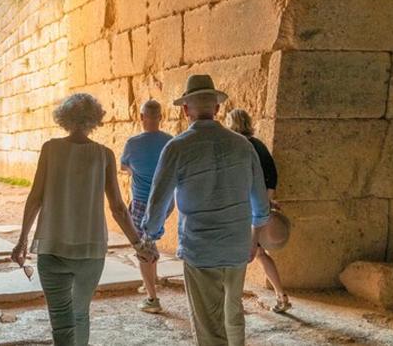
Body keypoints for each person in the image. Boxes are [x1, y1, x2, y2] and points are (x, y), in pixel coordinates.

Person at [11, 93, 156, 346]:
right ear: (95, 119)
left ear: (64, 118)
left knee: (61, 319)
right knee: (80, 313)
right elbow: (118, 208)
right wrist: (138, 245)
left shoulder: (50, 149)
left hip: (52, 247)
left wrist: (22, 240)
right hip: (91, 251)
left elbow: (35, 198)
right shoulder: (104, 155)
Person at [141, 74, 270, 346]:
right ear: (217, 108)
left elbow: (158, 199)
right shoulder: (243, 145)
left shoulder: (177, 147)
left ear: (185, 110)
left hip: (201, 248)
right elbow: (260, 200)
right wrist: (254, 237)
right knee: (233, 314)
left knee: (209, 328)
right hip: (237, 244)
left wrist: (150, 235)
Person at [225, 108, 291, 313]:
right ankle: (281, 296)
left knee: (241, 254)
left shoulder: (238, 147)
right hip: (260, 208)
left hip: (245, 209)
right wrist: (267, 202)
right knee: (260, 253)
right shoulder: (259, 145)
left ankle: (234, 302)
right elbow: (271, 177)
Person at [120, 100, 173, 313]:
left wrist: (135, 171)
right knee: (150, 240)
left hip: (142, 201)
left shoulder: (133, 143)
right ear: (161, 117)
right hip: (166, 201)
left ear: (141, 117)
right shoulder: (170, 141)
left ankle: (152, 299)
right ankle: (152, 279)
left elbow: (124, 166)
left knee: (142, 246)